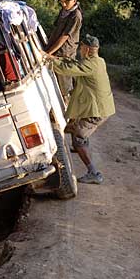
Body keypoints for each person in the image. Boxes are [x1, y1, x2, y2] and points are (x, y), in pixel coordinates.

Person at [47, 34, 115, 185]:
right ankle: (81, 144)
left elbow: (69, 69)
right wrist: (53, 58)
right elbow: (73, 63)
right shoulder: (98, 61)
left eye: (82, 46)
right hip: (100, 108)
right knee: (72, 128)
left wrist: (48, 61)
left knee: (78, 138)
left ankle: (94, 173)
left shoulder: (90, 65)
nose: (79, 49)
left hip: (97, 111)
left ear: (88, 49)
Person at [44, 0, 83, 101]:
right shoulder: (64, 11)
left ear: (74, 0)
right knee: (54, 81)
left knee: (64, 84)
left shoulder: (76, 15)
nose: (64, 5)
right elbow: (56, 29)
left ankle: (69, 112)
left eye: (66, 2)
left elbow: (65, 36)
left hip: (65, 53)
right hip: (55, 49)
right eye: (62, 2)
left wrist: (48, 52)